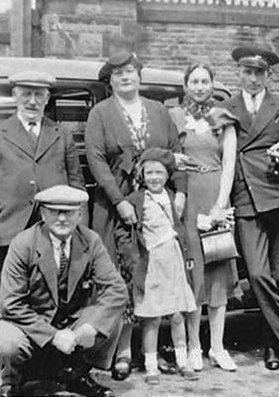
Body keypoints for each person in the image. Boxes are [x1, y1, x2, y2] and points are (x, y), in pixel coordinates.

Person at [85, 51, 187, 380]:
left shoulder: (158, 111)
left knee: (158, 271)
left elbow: (175, 151)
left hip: (157, 206)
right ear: (110, 81)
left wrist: (181, 191)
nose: (126, 77)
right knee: (122, 275)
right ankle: (123, 351)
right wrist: (119, 201)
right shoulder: (100, 113)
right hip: (117, 208)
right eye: (118, 74)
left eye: (131, 71)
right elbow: (96, 159)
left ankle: (155, 350)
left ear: (139, 76)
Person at [219, 46, 279, 371]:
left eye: (258, 73)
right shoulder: (225, 109)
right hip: (247, 199)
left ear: (268, 76)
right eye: (247, 72)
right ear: (238, 73)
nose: (252, 78)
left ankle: (274, 346)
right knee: (259, 275)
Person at [0, 71, 86, 321]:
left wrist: (80, 227)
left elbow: (77, 183)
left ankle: (47, 351)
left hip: (53, 226)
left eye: (38, 95)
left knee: (51, 295)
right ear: (15, 96)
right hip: (7, 227)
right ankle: (11, 351)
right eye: (26, 94)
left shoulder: (61, 134)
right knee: (10, 297)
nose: (32, 102)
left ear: (47, 99)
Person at [0, 185, 128, 397]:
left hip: (70, 320)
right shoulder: (23, 243)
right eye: (55, 212)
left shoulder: (90, 240)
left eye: (70, 212)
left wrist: (91, 327)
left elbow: (116, 289)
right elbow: (11, 304)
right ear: (43, 213)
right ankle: (13, 380)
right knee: (8, 342)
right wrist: (53, 336)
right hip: (30, 322)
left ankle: (76, 374)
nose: (62, 219)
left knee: (108, 318)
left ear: (80, 214)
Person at [168, 62, 240, 372]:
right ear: (185, 85)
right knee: (194, 272)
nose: (199, 86)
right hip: (187, 198)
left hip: (214, 195)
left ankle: (218, 347)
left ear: (212, 84)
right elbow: (163, 152)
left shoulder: (223, 117)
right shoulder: (173, 116)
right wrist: (173, 158)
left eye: (205, 81)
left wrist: (221, 205)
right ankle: (195, 346)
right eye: (194, 81)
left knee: (219, 271)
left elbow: (229, 163)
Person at [115, 148, 198, 385]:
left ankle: (183, 361)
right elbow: (123, 233)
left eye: (159, 172)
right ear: (141, 174)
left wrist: (187, 255)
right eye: (149, 172)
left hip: (173, 260)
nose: (154, 177)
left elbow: (180, 230)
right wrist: (132, 259)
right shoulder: (136, 200)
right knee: (150, 317)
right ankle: (151, 366)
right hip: (150, 262)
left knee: (177, 314)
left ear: (167, 175)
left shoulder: (171, 197)